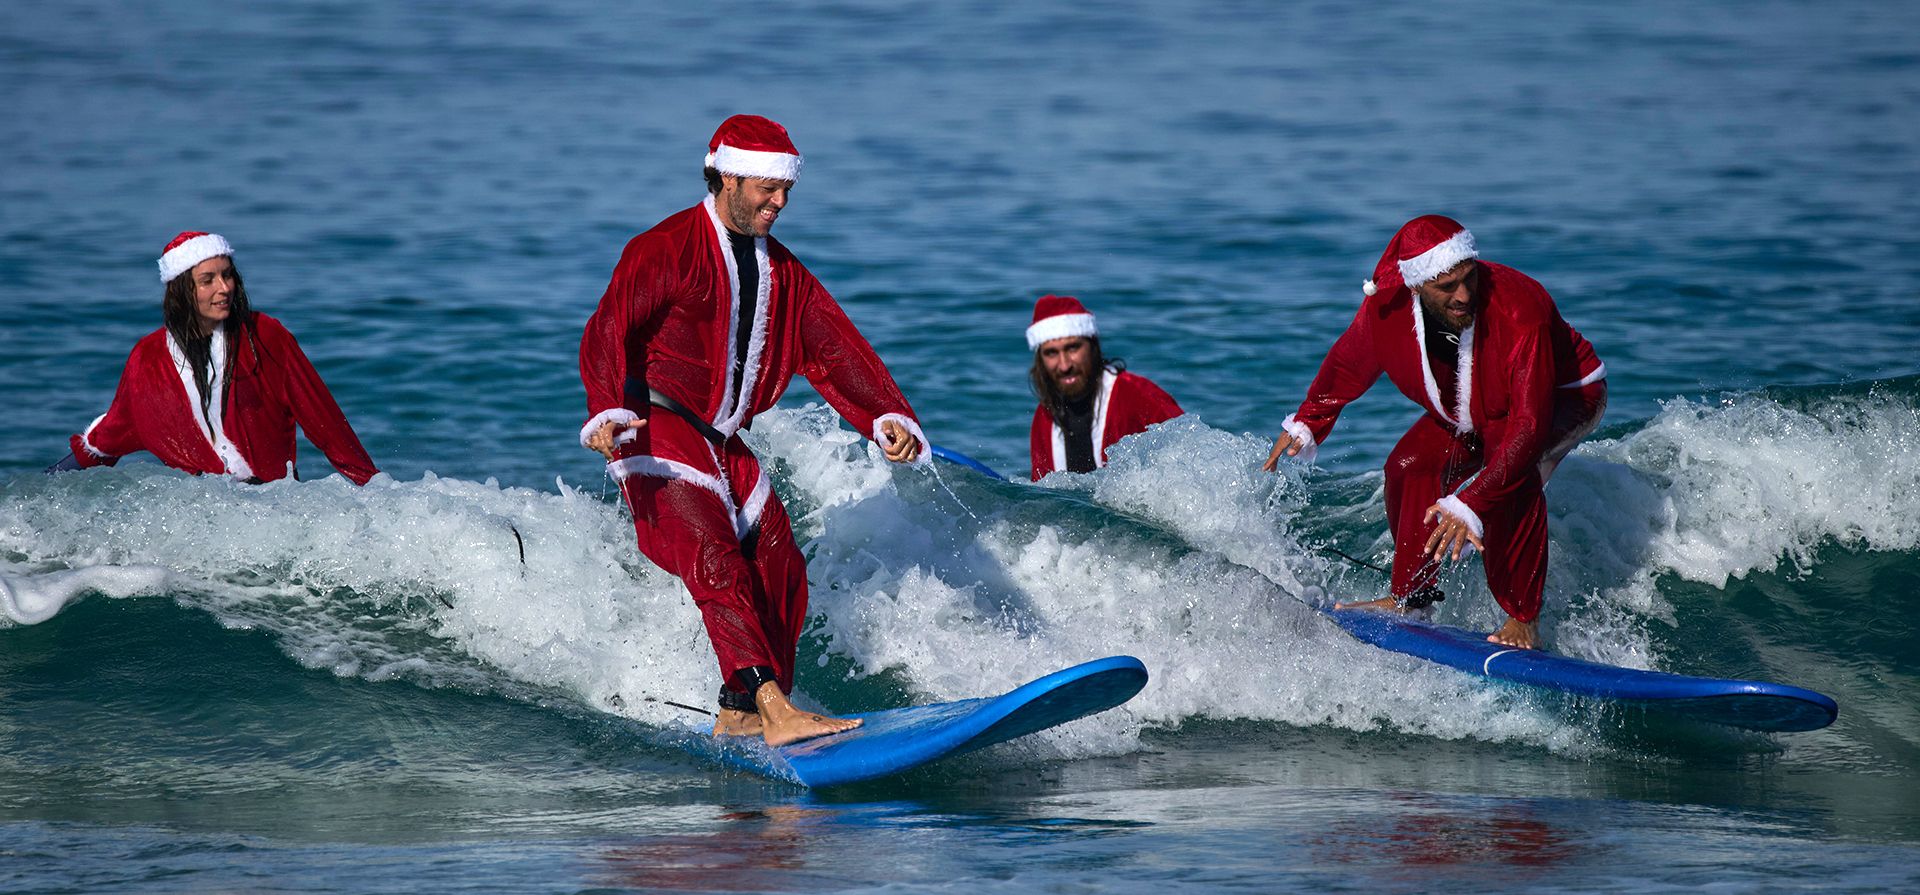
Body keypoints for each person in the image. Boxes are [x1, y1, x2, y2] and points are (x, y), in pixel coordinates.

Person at [578, 115, 931, 746]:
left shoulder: (783, 271)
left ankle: (741, 708)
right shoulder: (664, 248)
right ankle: (775, 713)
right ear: (728, 175)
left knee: (777, 560)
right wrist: (605, 410)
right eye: (768, 188)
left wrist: (886, 417)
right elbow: (607, 328)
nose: (780, 202)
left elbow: (832, 347)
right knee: (716, 558)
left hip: (721, 440)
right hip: (651, 426)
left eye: (787, 190)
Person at [1262, 216, 1606, 650]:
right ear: (1417, 286)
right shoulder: (1388, 309)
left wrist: (1473, 500)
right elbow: (1351, 359)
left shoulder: (1520, 309)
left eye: (1468, 279)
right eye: (1447, 288)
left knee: (1511, 477)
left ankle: (1523, 618)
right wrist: (1309, 420)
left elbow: (1528, 425)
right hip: (1474, 405)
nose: (1464, 295)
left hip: (1563, 396)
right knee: (1409, 466)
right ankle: (1413, 599)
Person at [64, 232, 379, 485]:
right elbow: (113, 431)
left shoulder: (266, 336)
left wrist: (373, 488)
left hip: (275, 507)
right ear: (182, 291)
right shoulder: (148, 358)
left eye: (227, 275)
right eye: (208, 280)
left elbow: (322, 417)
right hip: (202, 519)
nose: (224, 288)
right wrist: (43, 488)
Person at [1026, 295, 1183, 481]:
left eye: (1072, 348)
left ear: (1093, 346)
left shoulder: (1137, 395)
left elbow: (1189, 449)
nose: (1064, 365)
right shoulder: (1044, 418)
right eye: (1051, 353)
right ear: (1041, 360)